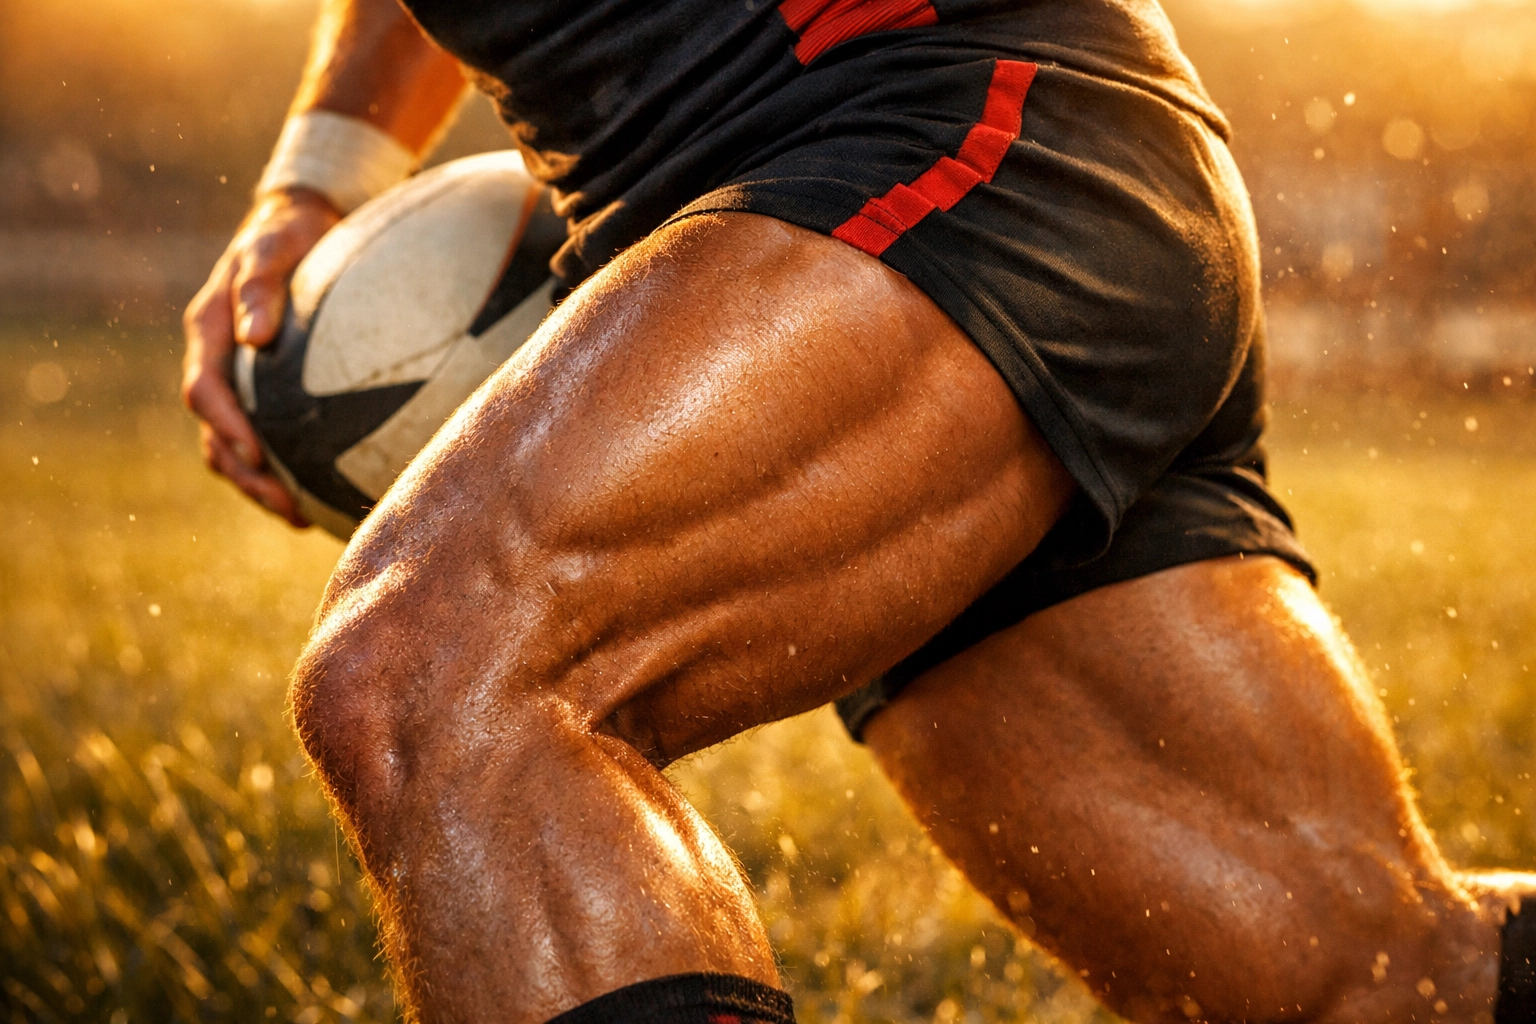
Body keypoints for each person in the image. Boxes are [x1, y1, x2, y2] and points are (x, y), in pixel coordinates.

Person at [180, 0, 1536, 1020]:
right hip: (871, 204)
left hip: (954, 135)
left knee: (432, 679)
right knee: (1363, 969)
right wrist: (314, 178)